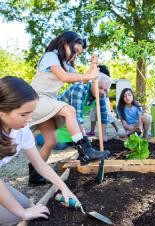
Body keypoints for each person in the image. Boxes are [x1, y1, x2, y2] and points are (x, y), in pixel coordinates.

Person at [30, 31, 109, 184]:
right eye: (75, 51)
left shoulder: (65, 65)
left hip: (48, 101)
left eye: (78, 54)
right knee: (69, 110)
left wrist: (93, 65)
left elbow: (82, 80)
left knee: (51, 141)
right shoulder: (50, 56)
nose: (75, 55)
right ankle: (85, 150)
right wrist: (88, 76)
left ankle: (35, 174)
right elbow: (65, 78)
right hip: (37, 99)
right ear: (65, 43)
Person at [0, 76, 79, 225]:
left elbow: (40, 164)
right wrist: (21, 213)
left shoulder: (21, 131)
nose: (30, 119)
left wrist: (64, 188)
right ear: (2, 111)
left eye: (31, 113)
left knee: (31, 207)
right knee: (19, 217)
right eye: (24, 114)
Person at [55, 72, 113, 150]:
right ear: (93, 82)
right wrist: (84, 139)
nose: (102, 92)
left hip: (73, 126)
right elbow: (77, 116)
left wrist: (103, 134)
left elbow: (103, 114)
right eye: (100, 87)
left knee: (75, 144)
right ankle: (43, 135)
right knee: (60, 146)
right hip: (57, 123)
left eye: (105, 90)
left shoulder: (101, 95)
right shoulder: (79, 89)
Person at [86, 65, 119, 137]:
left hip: (103, 98)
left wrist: (102, 96)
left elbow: (106, 93)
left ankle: (117, 129)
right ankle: (92, 131)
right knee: (93, 114)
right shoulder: (95, 79)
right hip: (94, 98)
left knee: (107, 114)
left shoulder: (107, 80)